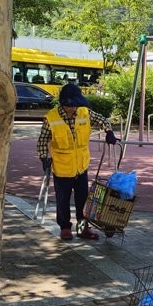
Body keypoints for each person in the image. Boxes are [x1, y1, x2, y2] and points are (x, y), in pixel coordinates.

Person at [37, 83, 118, 241]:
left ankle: (82, 229)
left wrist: (109, 131)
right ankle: (65, 228)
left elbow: (103, 120)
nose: (73, 109)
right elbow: (42, 140)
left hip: (81, 167)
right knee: (63, 200)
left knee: (83, 200)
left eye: (75, 105)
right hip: (62, 167)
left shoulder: (84, 112)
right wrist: (43, 157)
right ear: (63, 103)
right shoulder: (51, 118)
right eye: (70, 106)